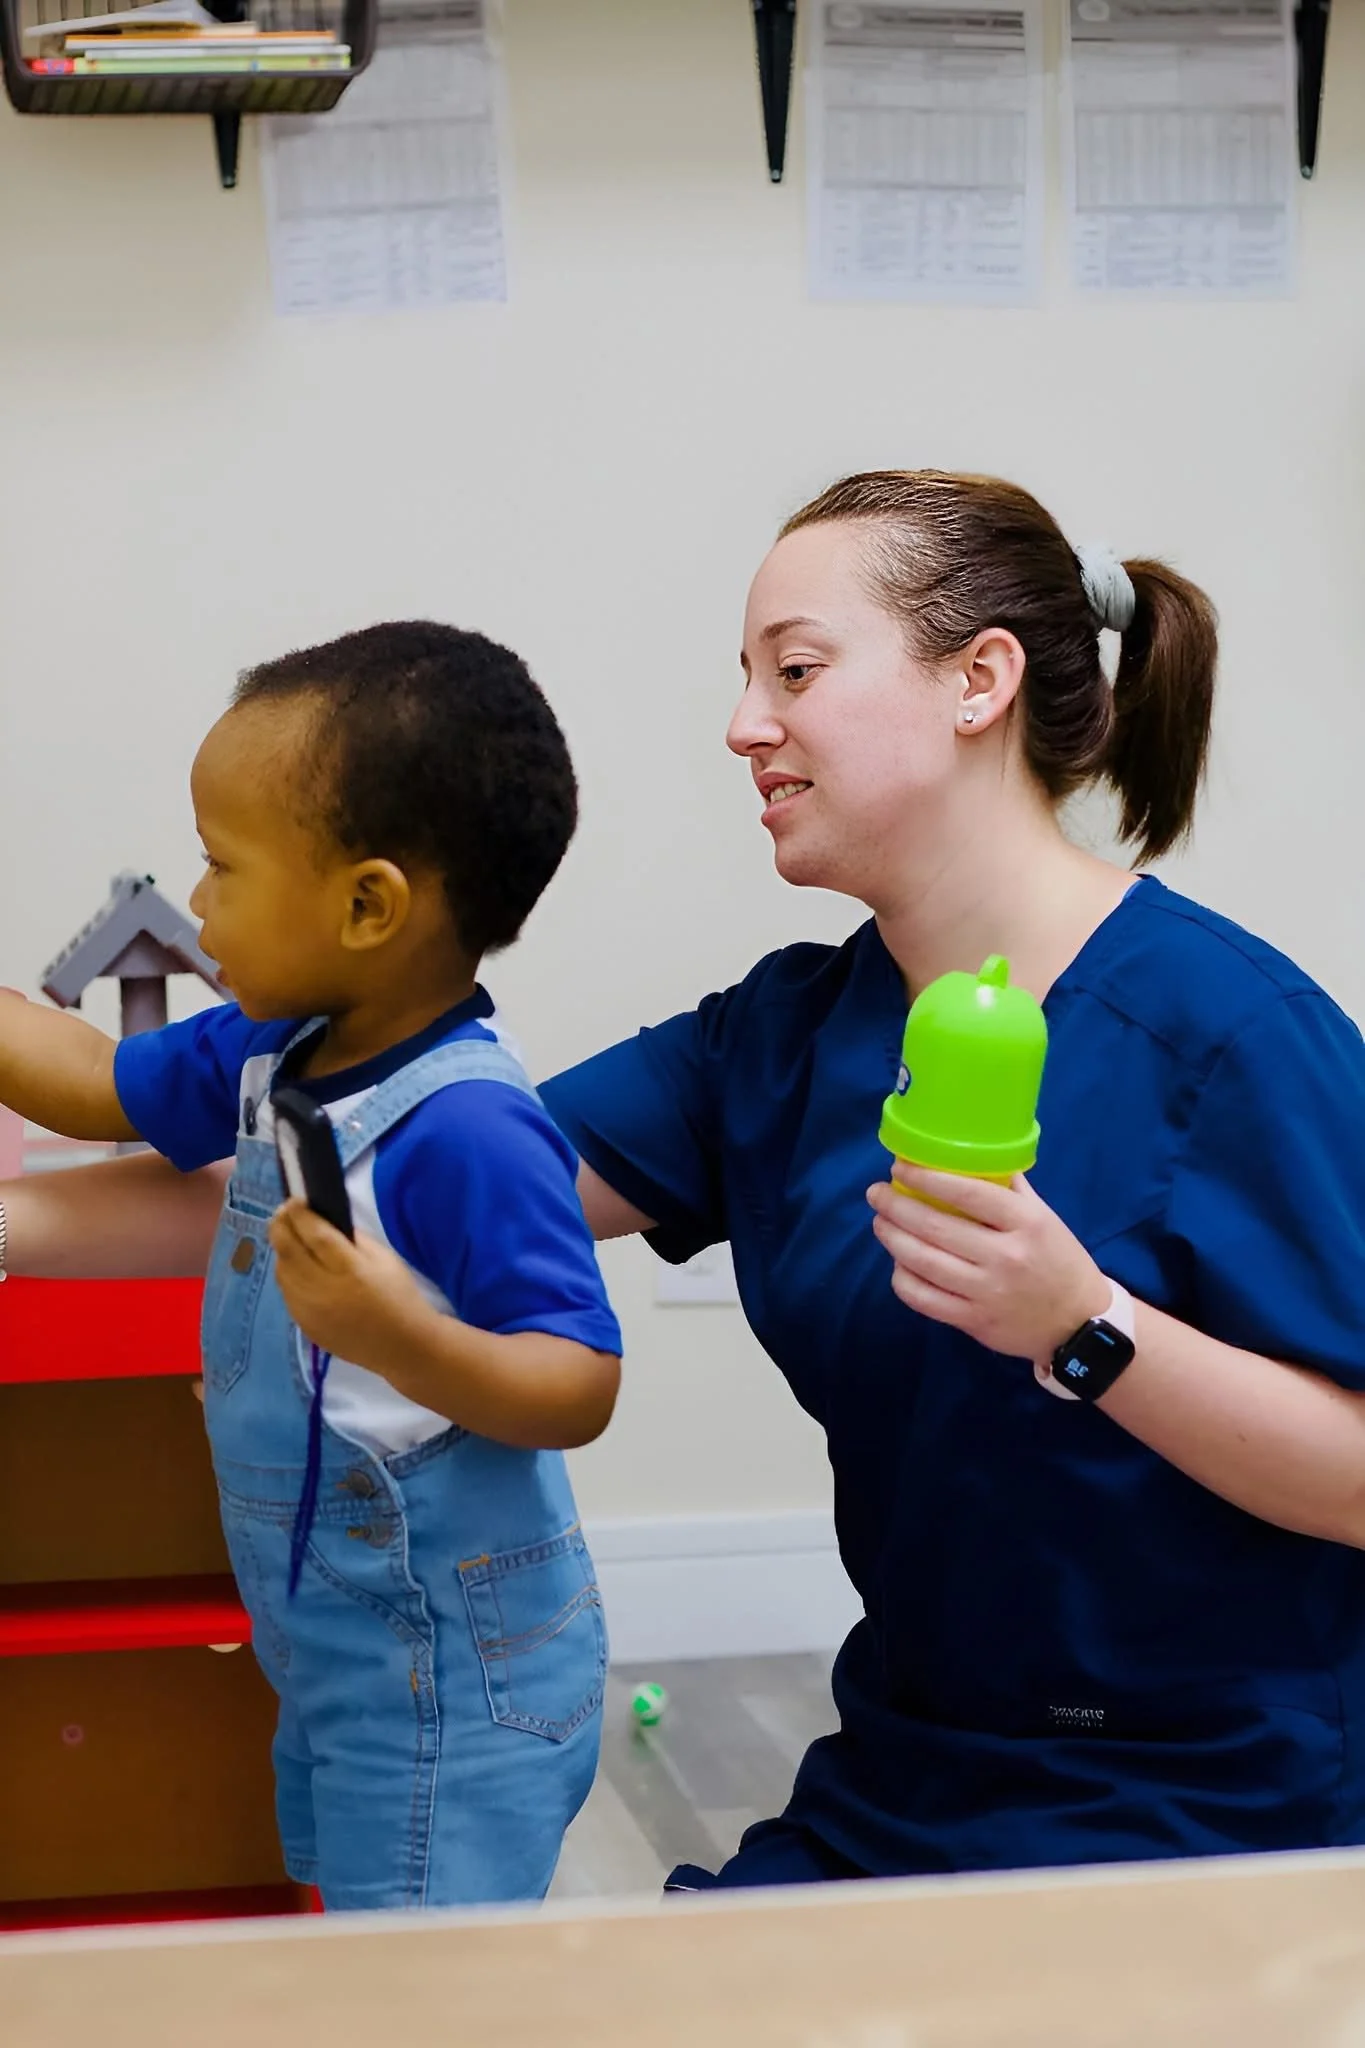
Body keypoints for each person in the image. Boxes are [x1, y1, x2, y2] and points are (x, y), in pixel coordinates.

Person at [7, 471, 1365, 1892]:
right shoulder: (772, 1044)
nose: (743, 727)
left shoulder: (1230, 1032)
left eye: (796, 670)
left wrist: (1084, 1324)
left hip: (1217, 1808)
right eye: (744, 679)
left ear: (981, 683)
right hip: (915, 1776)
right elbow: (350, 1179)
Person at [0, 622, 623, 1913]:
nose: (201, 900)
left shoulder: (470, 1126)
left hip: (452, 1678)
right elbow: (83, 1084)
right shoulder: (272, 1043)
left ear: (368, 903)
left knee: (420, 1990)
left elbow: (576, 1379)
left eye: (224, 865)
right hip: (336, 1641)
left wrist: (399, 1335)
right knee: (357, 1934)